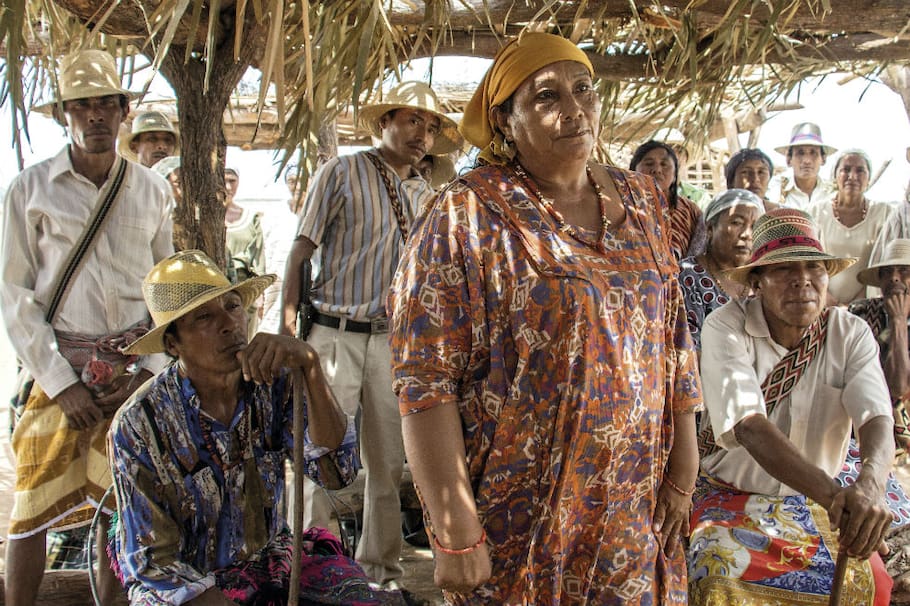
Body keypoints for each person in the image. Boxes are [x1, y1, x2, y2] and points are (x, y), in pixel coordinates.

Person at [389, 32, 702, 603]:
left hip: (633, 498)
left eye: (584, 89)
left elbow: (673, 332)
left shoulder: (644, 200)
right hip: (522, 510)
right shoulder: (465, 213)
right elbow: (424, 380)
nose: (573, 109)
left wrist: (685, 457)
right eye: (546, 97)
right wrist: (455, 525)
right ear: (506, 120)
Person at [108, 250, 409, 606]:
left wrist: (310, 367)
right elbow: (153, 565)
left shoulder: (273, 384)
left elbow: (336, 473)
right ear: (172, 344)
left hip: (272, 567)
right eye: (204, 316)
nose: (229, 324)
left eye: (233, 306)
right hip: (187, 586)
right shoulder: (140, 423)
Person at [0, 49, 174, 605]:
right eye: (82, 106)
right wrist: (61, 382)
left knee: (116, 512)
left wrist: (145, 371)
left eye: (106, 103)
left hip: (128, 379)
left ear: (125, 112)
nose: (95, 115)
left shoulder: (151, 190)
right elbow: (14, 293)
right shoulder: (30, 188)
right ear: (62, 116)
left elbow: (164, 293)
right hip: (58, 379)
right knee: (30, 513)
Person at [281, 80, 461, 589]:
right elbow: (300, 253)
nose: (421, 134)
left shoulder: (427, 195)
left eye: (430, 127)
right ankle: (315, 572)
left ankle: (379, 572)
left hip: (392, 341)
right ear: (384, 123)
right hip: (332, 334)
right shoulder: (341, 171)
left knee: (387, 461)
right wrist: (287, 334)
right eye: (411, 121)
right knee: (312, 457)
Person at [691, 208, 895, 605]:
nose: (802, 280)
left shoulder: (849, 332)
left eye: (813, 269)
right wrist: (838, 499)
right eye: (784, 269)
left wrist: (870, 485)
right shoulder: (724, 327)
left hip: (819, 500)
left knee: (872, 586)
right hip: (734, 493)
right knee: (715, 577)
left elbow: (876, 415)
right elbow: (749, 425)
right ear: (756, 282)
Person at [850, 239, 910, 493]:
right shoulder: (861, 313)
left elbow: (899, 387)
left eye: (904, 271)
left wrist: (898, 322)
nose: (894, 279)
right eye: (887, 273)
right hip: (866, 418)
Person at [679, 188, 764, 351]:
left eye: (754, 226)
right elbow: (690, 352)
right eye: (737, 223)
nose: (747, 234)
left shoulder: (762, 280)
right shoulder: (686, 276)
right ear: (710, 229)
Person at [807, 149, 893, 305]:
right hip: (821, 303)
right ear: (835, 176)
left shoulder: (884, 213)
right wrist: (831, 302)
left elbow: (886, 265)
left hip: (869, 305)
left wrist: (858, 304)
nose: (852, 176)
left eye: (860, 170)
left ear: (869, 178)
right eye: (845, 169)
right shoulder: (816, 212)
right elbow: (808, 262)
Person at [630, 139, 706, 259]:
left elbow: (699, 253)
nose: (657, 170)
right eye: (649, 163)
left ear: (675, 175)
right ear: (633, 171)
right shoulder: (622, 206)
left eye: (664, 164)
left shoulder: (690, 211)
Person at [260, 165, 304, 334]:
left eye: (301, 180)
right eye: (292, 181)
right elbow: (265, 253)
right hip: (276, 286)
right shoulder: (275, 215)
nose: (297, 186)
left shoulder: (314, 214)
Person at [767, 122, 838, 210]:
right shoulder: (775, 189)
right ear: (789, 160)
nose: (807, 160)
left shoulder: (833, 193)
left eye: (813, 153)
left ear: (823, 159)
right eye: (800, 153)